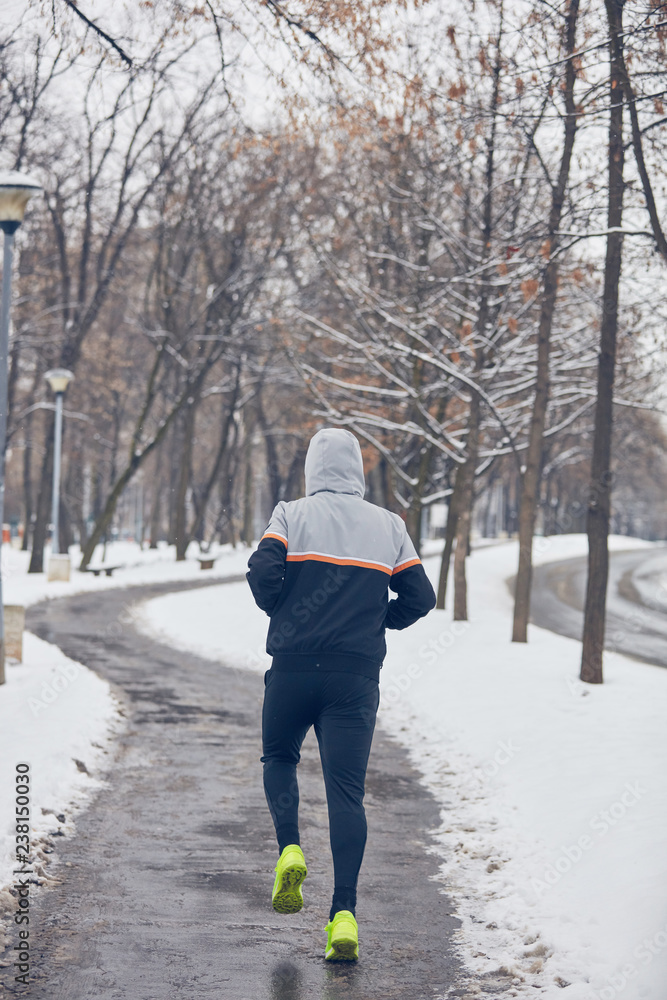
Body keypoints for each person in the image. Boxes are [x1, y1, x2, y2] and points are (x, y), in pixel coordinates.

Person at [246, 427, 436, 961]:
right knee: (346, 794)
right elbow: (421, 597)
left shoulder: (290, 514)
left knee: (279, 756)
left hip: (291, 669)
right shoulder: (389, 525)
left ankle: (288, 850)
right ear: (358, 469)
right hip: (354, 680)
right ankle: (344, 915)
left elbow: (263, 576)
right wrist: (379, 619)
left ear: (312, 468)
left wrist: (284, 612)